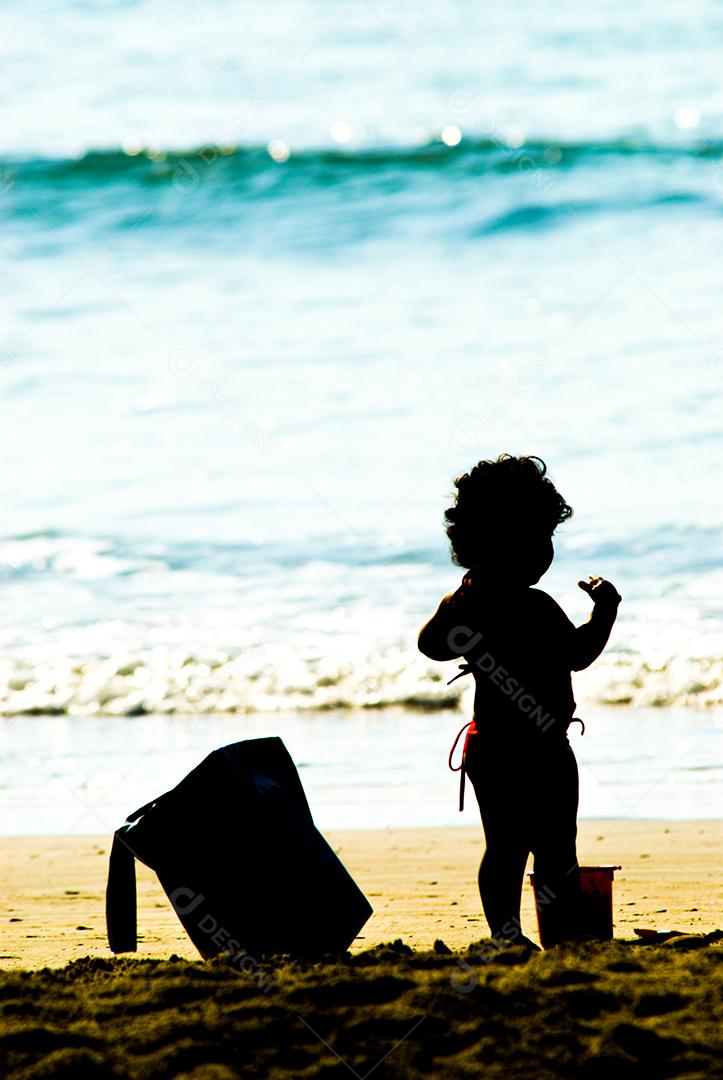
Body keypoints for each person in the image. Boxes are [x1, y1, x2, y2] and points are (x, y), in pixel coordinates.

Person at [418, 454, 621, 946]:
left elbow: (431, 645)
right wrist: (606, 613)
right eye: (540, 538)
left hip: (491, 748)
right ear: (516, 545)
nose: (546, 551)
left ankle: (506, 935)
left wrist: (463, 604)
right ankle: (563, 935)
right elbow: (577, 655)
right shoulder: (535, 606)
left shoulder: (468, 600)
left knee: (504, 849)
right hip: (545, 748)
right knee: (556, 848)